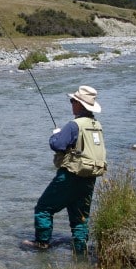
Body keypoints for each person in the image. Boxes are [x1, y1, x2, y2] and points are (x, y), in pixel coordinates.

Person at [22, 85, 107, 254]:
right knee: (80, 217)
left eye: (73, 101)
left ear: (80, 104)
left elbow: (57, 145)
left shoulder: (74, 125)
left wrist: (56, 134)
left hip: (70, 176)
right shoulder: (97, 125)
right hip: (90, 178)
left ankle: (42, 243)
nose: (71, 103)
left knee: (44, 208)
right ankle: (80, 250)